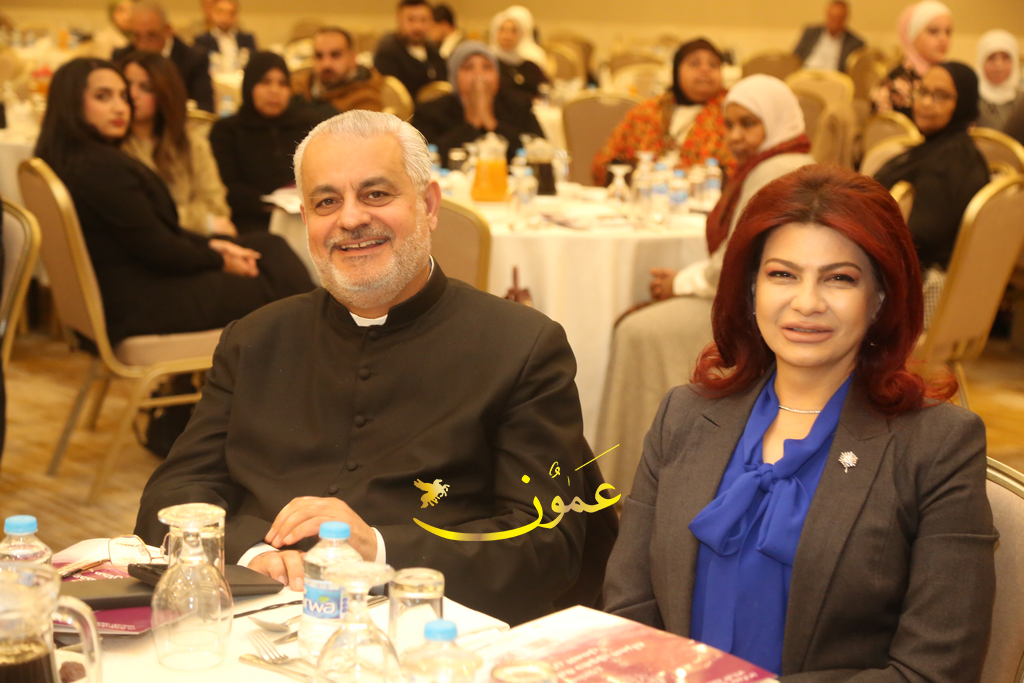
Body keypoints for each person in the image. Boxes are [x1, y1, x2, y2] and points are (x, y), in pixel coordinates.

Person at [134, 109, 595, 627]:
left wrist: (378, 550)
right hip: (254, 621)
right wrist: (251, 553)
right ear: (305, 220)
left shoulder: (520, 345)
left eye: (375, 194)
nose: (350, 219)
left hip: (429, 632)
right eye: (326, 201)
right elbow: (171, 496)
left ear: (428, 205)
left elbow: (548, 543)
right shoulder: (256, 338)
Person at [603, 164, 996, 680]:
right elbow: (628, 609)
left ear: (880, 298)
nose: (806, 303)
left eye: (839, 278)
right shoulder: (685, 416)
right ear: (751, 289)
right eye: (782, 274)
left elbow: (933, 671)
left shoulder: (937, 446)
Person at [596, 74, 814, 494]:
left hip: (754, 311)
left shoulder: (774, 169)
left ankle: (639, 478)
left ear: (777, 119)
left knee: (637, 332)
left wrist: (680, 282)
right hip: (758, 298)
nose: (735, 137)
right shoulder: (777, 162)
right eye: (729, 125)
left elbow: (735, 262)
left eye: (748, 124)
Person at [33, 58, 313, 347]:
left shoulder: (75, 158)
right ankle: (316, 344)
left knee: (269, 245)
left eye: (122, 96)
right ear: (71, 102)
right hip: (139, 301)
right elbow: (160, 249)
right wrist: (220, 260)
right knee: (280, 291)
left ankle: (313, 340)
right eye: (103, 97)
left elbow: (154, 232)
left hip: (133, 286)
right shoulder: (102, 169)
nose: (120, 107)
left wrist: (214, 246)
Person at [874, 63, 989, 275]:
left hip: (914, 278)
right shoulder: (935, 148)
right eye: (923, 92)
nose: (926, 102)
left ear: (963, 103)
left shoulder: (952, 161)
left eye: (941, 96)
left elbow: (919, 239)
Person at [119, 51, 235, 237]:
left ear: (164, 93)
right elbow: (137, 214)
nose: (132, 95)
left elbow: (217, 209)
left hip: (194, 240)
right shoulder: (115, 147)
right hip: (143, 242)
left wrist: (189, 220)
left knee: (269, 244)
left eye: (145, 88)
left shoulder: (190, 143)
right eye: (127, 85)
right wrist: (200, 221)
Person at [592, 38, 735, 186]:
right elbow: (604, 164)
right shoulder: (648, 111)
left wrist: (696, 175)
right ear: (676, 70)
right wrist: (649, 172)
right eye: (694, 64)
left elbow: (741, 174)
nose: (705, 69)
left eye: (713, 65)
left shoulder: (731, 113)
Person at [210, 52, 320, 233]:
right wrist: (268, 204)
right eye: (265, 82)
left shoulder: (308, 125)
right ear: (250, 85)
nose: (274, 91)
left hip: (307, 215)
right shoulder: (227, 130)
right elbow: (227, 187)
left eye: (282, 83)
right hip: (252, 220)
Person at [411, 41, 545, 167]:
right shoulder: (431, 111)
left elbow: (539, 151)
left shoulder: (519, 105)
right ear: (455, 77)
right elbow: (425, 159)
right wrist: (471, 124)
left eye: (487, 67)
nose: (478, 75)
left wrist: (493, 124)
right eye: (468, 68)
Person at [113, 0, 215, 112]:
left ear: (167, 30)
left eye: (151, 35)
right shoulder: (122, 57)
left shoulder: (193, 59)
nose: (143, 44)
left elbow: (204, 108)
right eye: (137, 36)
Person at [874, 0, 952, 118]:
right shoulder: (896, 83)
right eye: (933, 31)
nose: (943, 39)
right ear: (912, 35)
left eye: (948, 32)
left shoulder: (950, 75)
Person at [290, 27, 384, 121]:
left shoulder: (367, 99)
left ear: (352, 58)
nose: (326, 64)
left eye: (335, 55)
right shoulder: (297, 86)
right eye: (319, 55)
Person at [373, 0, 447, 105]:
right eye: (411, 19)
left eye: (423, 20)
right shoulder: (387, 55)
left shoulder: (435, 54)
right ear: (399, 20)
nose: (417, 26)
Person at [490, 6, 549, 99]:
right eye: (502, 30)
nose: (507, 36)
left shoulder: (529, 64)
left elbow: (545, 88)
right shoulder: (488, 63)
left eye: (513, 31)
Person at [792, 0, 865, 73]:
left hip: (833, 76)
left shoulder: (855, 43)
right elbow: (795, 57)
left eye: (839, 18)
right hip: (806, 73)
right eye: (832, 17)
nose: (835, 22)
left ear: (845, 18)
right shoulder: (810, 33)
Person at [976, 30, 1024, 130]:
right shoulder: (970, 100)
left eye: (1005, 58)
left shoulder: (1021, 100)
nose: (999, 65)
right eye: (991, 58)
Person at [192, 0, 257, 65]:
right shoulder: (201, 41)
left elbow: (255, 63)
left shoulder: (247, 40)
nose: (225, 17)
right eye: (220, 12)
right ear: (212, 13)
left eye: (231, 13)